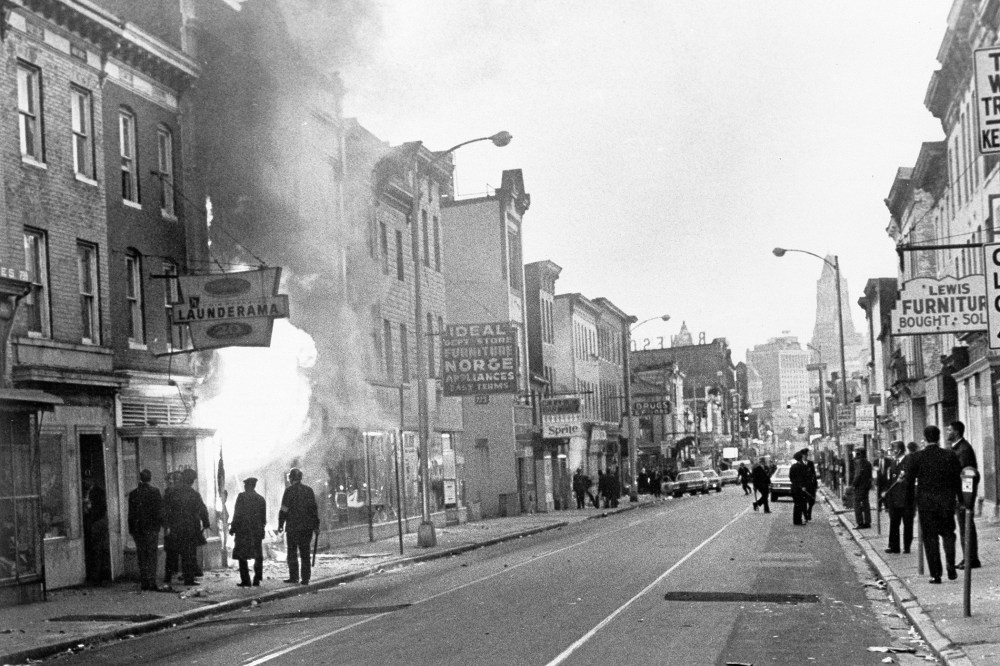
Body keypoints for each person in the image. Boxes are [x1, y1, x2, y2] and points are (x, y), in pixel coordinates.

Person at [907, 424, 961, 584]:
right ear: (938, 437)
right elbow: (957, 479)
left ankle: (936, 574)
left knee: (930, 538)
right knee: (948, 534)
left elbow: (909, 483)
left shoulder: (916, 457)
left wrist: (911, 504)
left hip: (926, 505)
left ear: (924, 438)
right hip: (946, 503)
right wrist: (961, 499)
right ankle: (951, 565)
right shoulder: (949, 455)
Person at [163, 468, 209, 586]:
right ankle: (188, 579)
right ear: (192, 481)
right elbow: (202, 509)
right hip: (190, 528)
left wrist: (166, 525)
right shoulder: (194, 494)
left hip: (174, 527)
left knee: (171, 553)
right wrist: (206, 523)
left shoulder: (171, 492)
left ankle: (167, 578)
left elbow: (164, 510)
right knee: (188, 554)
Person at [947, 420, 981, 570]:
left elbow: (967, 475)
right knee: (964, 527)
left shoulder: (964, 449)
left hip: (963, 496)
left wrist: (964, 499)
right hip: (959, 495)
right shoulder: (957, 448)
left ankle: (971, 559)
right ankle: (968, 557)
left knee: (966, 526)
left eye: (949, 430)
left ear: (956, 432)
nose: (947, 432)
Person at [278, 467, 320, 585]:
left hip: (293, 528)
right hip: (307, 528)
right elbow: (313, 510)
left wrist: (280, 524)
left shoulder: (289, 491)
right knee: (305, 553)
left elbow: (284, 509)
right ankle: (305, 578)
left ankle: (294, 577)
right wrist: (316, 526)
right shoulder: (308, 490)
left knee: (292, 553)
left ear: (291, 478)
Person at [127, 469, 163, 591]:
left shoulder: (134, 494)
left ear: (140, 478)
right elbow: (159, 511)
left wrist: (131, 529)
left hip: (138, 529)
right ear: (150, 478)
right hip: (152, 528)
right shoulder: (155, 492)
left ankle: (144, 581)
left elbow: (131, 513)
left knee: (142, 555)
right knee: (152, 555)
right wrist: (161, 525)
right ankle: (152, 581)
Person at [230, 477, 267, 587]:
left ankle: (246, 580)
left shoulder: (241, 497)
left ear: (247, 486)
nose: (244, 487)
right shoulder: (261, 499)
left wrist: (233, 528)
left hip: (243, 531)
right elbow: (263, 518)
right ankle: (257, 578)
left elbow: (237, 514)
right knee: (258, 555)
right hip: (256, 531)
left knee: (242, 556)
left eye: (245, 485)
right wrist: (262, 530)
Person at [882, 441, 914, 555]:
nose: (892, 451)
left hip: (906, 498)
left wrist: (903, 481)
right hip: (894, 498)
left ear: (900, 449)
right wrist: (886, 492)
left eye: (894, 449)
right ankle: (894, 546)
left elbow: (911, 479)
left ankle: (907, 547)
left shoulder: (909, 461)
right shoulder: (893, 462)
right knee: (894, 523)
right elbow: (890, 479)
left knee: (907, 524)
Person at [852, 448, 873, 529]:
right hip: (866, 486)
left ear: (859, 454)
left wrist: (853, 484)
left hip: (859, 486)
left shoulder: (858, 462)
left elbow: (857, 475)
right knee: (866, 504)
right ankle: (867, 522)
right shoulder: (868, 463)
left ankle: (860, 522)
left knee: (857, 504)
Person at [789, 450, 810, 525]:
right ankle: (798, 521)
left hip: (796, 488)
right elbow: (799, 479)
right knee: (799, 505)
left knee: (797, 505)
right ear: (800, 459)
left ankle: (797, 520)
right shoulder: (800, 467)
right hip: (799, 489)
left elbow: (791, 478)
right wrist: (802, 486)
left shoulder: (793, 466)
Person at [803, 450, 818, 522]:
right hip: (803, 486)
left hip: (811, 485)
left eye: (806, 455)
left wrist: (815, 484)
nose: (805, 457)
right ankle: (806, 516)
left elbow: (814, 474)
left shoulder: (810, 463)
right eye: (804, 455)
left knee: (812, 501)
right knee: (804, 501)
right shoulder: (799, 464)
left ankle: (809, 512)